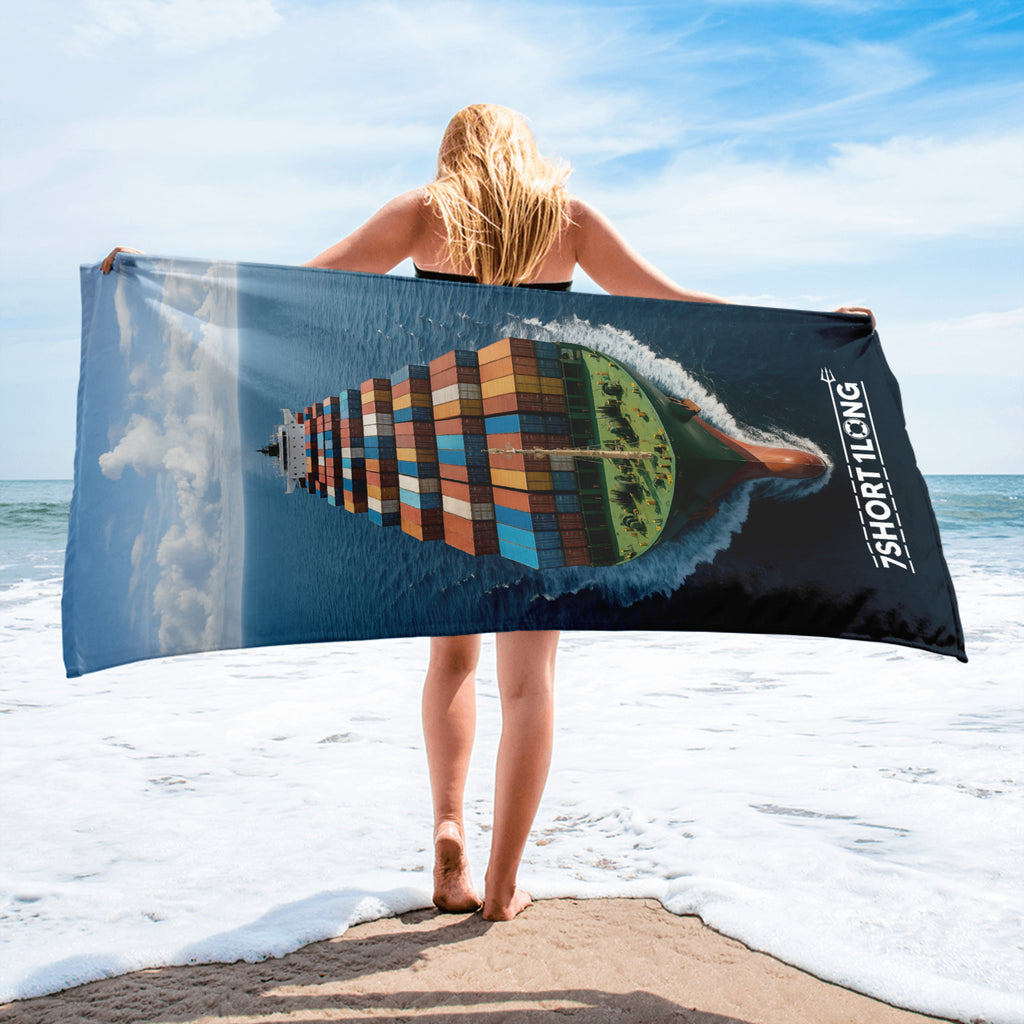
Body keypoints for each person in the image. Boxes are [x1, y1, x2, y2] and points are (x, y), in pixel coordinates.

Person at [102, 103, 872, 922]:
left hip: (448, 450)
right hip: (553, 457)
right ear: (524, 151)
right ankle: (503, 888)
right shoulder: (567, 219)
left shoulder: (423, 214)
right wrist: (814, 328)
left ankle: (447, 832)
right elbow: (679, 304)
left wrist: (165, 284)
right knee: (531, 685)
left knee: (453, 665)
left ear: (452, 154)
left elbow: (293, 290)